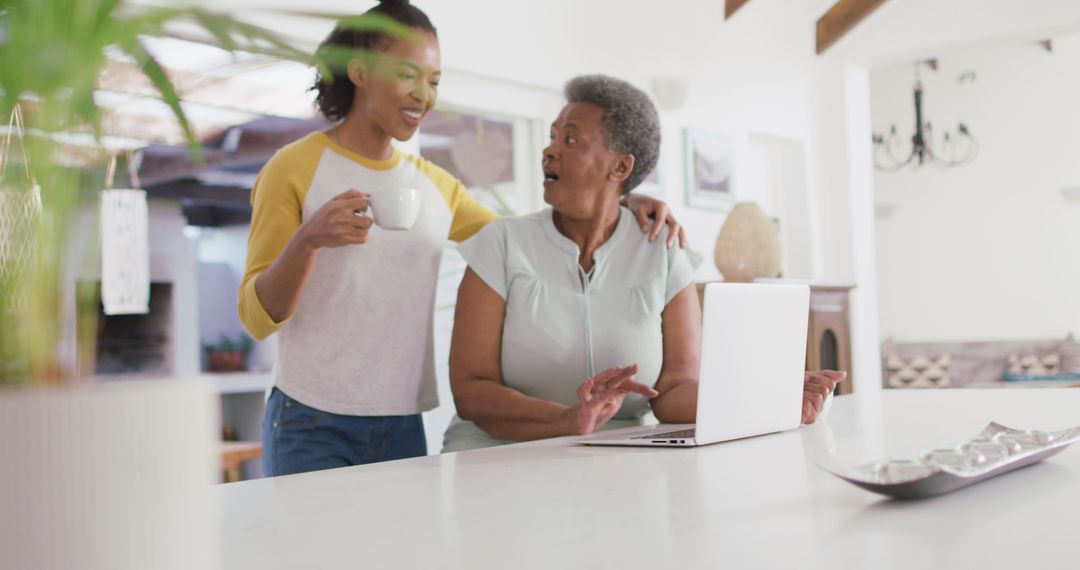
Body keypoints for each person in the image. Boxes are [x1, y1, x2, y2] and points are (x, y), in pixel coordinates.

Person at [238, 1, 686, 476]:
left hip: (403, 421)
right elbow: (256, 317)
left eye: (433, 81)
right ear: (359, 72)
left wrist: (623, 200)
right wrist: (307, 241)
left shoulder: (436, 186)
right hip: (310, 417)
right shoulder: (293, 168)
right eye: (408, 75)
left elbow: (532, 240)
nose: (423, 95)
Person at [443, 74, 844, 452]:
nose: (549, 150)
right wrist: (566, 419)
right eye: (552, 137)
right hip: (496, 455)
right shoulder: (501, 243)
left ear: (620, 168)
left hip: (617, 456)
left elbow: (674, 391)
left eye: (570, 139)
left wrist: (769, 393)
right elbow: (471, 388)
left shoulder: (665, 252)